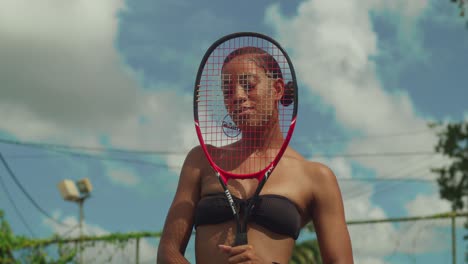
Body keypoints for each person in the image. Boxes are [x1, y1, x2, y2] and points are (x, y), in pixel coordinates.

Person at [157, 46, 353, 264]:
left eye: (248, 85)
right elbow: (168, 252)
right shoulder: (202, 160)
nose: (237, 97)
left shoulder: (316, 177)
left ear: (277, 89)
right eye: (227, 91)